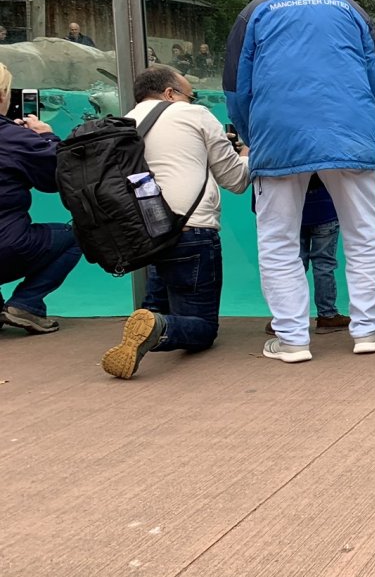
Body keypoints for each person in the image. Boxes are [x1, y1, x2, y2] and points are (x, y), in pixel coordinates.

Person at [224, 0, 375, 363]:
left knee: (278, 241)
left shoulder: (255, 11)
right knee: (363, 235)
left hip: (278, 138)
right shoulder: (352, 10)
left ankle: (292, 339)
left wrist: (255, 137)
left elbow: (236, 90)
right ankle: (368, 330)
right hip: (352, 137)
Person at [100, 66, 251, 378]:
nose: (194, 100)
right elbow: (236, 180)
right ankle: (158, 327)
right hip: (191, 231)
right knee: (203, 328)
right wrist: (247, 154)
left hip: (147, 235)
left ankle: (149, 324)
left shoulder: (124, 124)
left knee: (154, 308)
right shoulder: (193, 115)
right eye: (190, 95)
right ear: (169, 94)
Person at [0, 62, 82, 333]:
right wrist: (47, 137)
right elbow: (58, 174)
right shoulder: (12, 137)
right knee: (79, 235)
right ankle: (27, 303)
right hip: (7, 247)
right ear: (3, 95)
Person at [263, 177, 349, 336]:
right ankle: (327, 315)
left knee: (294, 265)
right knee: (324, 265)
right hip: (325, 206)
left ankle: (288, 317)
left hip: (290, 210)